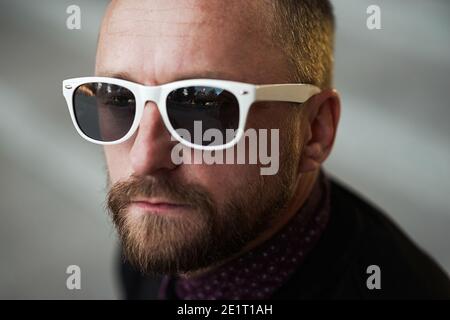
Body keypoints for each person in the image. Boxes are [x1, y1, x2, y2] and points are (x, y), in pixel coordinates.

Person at [63, 0, 450, 299]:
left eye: (203, 104)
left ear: (315, 131)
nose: (143, 160)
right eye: (117, 98)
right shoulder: (157, 242)